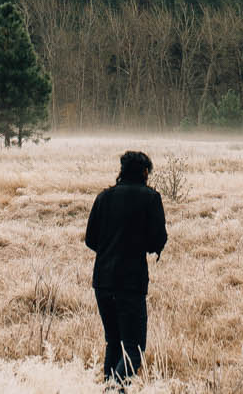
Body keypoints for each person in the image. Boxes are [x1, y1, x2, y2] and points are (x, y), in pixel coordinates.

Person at [84, 149, 167, 385]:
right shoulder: (151, 198)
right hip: (130, 283)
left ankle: (108, 386)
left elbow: (91, 239)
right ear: (144, 172)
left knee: (114, 343)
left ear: (121, 171)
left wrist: (110, 249)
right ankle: (116, 391)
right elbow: (158, 239)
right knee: (134, 348)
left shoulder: (104, 197)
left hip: (102, 281)